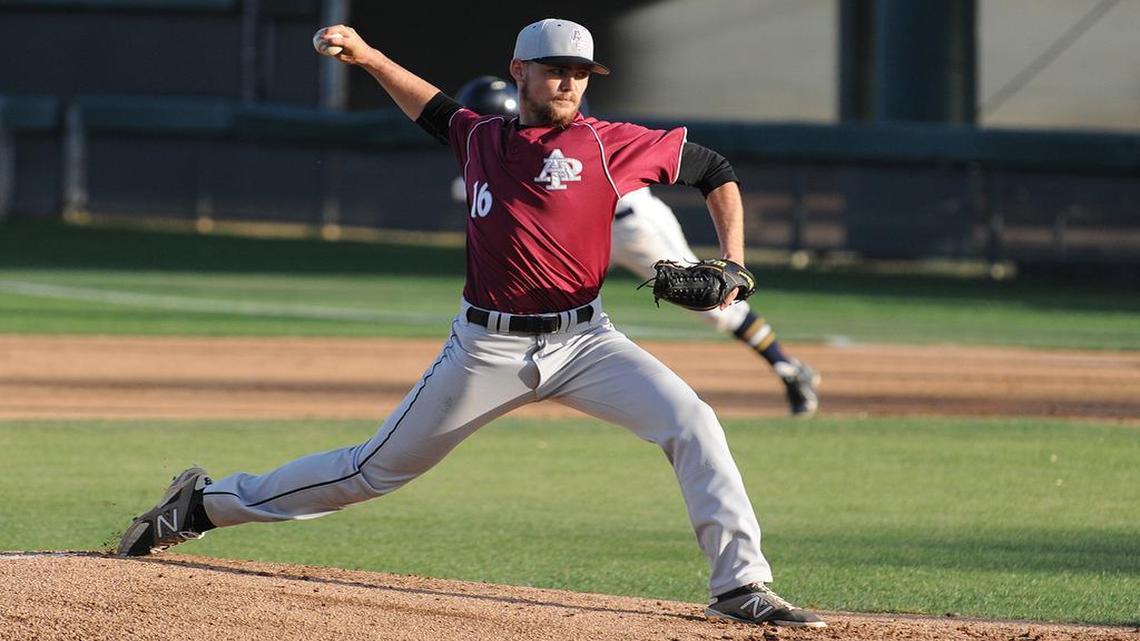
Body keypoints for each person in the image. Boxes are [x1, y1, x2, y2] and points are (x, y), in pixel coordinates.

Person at [116, 18, 826, 629]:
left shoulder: (609, 143)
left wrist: (733, 263)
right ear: (521, 71)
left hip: (587, 341)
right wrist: (366, 57)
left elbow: (714, 167)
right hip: (485, 348)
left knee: (693, 421)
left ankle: (739, 585)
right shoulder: (478, 137)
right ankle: (204, 506)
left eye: (581, 72)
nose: (571, 84)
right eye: (557, 71)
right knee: (371, 471)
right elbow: (428, 105)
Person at [453, 76, 821, 417]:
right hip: (575, 238)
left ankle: (786, 367)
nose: (481, 127)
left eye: (485, 118)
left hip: (631, 226)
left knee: (712, 305)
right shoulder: (501, 140)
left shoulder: (559, 122)